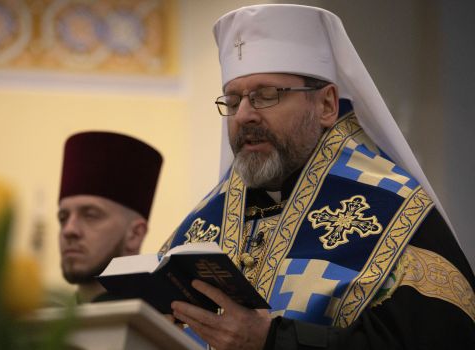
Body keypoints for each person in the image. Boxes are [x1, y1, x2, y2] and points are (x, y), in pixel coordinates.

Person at [160, 4, 475, 349]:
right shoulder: (204, 225)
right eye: (233, 101)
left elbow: (440, 340)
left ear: (326, 105)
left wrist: (273, 342)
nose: (244, 115)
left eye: (266, 96)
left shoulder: (394, 210)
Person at [57, 131, 162, 303]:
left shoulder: (164, 325)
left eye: (90, 215)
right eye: (63, 217)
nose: (69, 229)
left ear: (135, 234)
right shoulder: (44, 326)